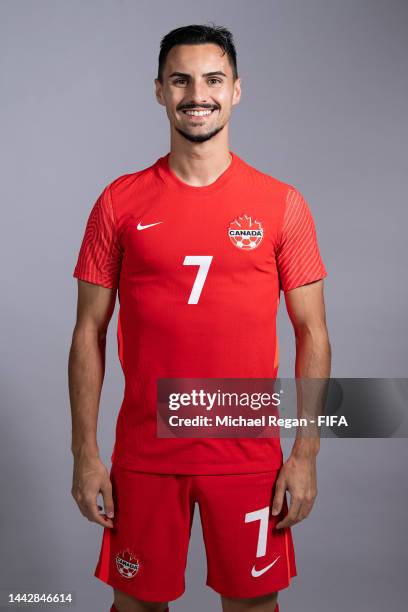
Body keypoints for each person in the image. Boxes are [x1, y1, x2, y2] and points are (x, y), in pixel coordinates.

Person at [68, 23, 331, 612]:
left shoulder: (282, 204)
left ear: (237, 90)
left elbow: (312, 332)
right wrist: (84, 452)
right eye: (180, 79)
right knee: (135, 605)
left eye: (213, 79)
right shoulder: (118, 202)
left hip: (248, 456)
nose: (197, 93)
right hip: (144, 457)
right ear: (159, 90)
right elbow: (88, 331)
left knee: (252, 607)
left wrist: (305, 454)